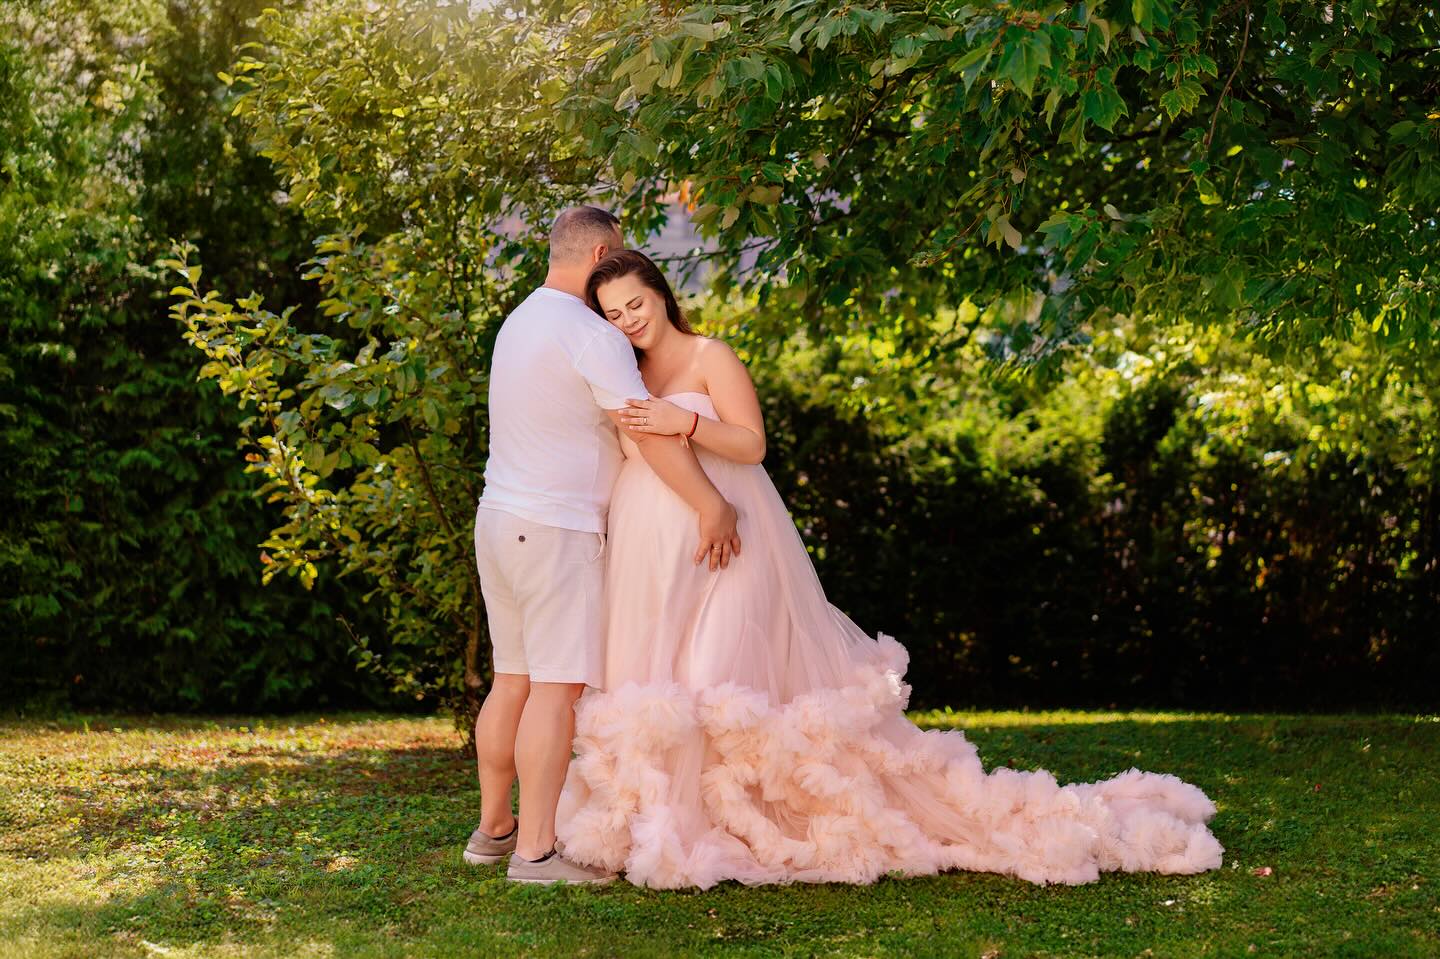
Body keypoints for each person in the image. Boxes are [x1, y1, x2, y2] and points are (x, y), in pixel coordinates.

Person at [555, 249, 1225, 888]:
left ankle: (752, 815)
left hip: (734, 536)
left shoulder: (709, 355)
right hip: (654, 542)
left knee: (718, 674)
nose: (629, 321)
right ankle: (672, 819)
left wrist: (683, 421)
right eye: (614, 314)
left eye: (636, 304)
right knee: (664, 678)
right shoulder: (626, 373)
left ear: (661, 294)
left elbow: (752, 443)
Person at [464, 209, 742, 885]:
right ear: (599, 251)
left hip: (499, 520)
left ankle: (492, 828)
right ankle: (535, 854)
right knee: (554, 693)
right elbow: (644, 430)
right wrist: (712, 503)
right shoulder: (591, 334)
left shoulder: (520, 319)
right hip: (554, 530)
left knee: (512, 680)